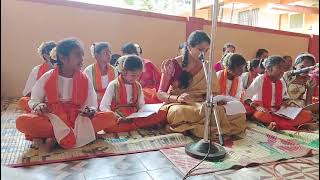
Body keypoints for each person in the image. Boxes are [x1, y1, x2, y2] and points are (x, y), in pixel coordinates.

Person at [15, 38, 117, 151]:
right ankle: (82, 135)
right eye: (78, 55)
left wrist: (91, 110)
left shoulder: (84, 78)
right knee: (22, 122)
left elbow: (91, 102)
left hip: (78, 118)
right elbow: (35, 99)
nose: (82, 59)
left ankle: (53, 137)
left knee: (110, 117)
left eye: (82, 55)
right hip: (53, 117)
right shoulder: (48, 76)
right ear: (63, 58)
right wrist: (37, 105)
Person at [157, 31, 246, 138]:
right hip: (180, 105)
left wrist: (216, 99)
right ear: (189, 47)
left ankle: (189, 127)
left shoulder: (207, 66)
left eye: (206, 50)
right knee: (178, 112)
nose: (203, 54)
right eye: (200, 50)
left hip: (202, 104)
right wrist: (177, 98)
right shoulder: (171, 65)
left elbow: (213, 91)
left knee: (236, 113)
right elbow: (160, 93)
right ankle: (196, 127)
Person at [243, 55, 313, 131]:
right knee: (261, 115)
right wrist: (256, 107)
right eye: (279, 68)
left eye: (283, 68)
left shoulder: (281, 82)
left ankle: (273, 124)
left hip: (278, 111)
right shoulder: (260, 79)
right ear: (269, 69)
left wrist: (285, 104)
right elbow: (246, 97)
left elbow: (284, 97)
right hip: (264, 110)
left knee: (307, 114)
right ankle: (272, 124)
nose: (282, 71)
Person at [99, 55, 166, 132]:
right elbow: (104, 106)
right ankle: (138, 126)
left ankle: (136, 125)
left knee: (162, 113)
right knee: (107, 124)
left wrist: (146, 112)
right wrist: (115, 116)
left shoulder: (137, 85)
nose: (136, 78)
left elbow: (141, 105)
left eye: (138, 75)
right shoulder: (113, 85)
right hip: (118, 117)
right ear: (124, 72)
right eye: (133, 75)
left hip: (134, 116)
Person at [18, 41, 57, 112]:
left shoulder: (64, 68)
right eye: (53, 54)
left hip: (59, 102)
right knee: (23, 101)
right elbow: (27, 93)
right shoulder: (37, 70)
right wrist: (37, 101)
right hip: (41, 102)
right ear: (45, 56)